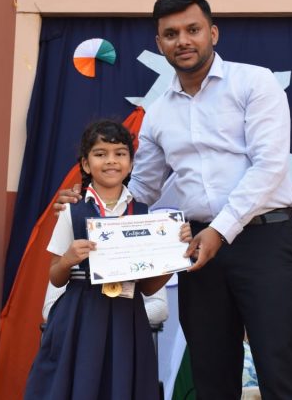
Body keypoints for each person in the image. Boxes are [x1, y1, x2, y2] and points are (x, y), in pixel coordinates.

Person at [56, 0, 292, 399]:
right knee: (210, 372)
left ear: (213, 33)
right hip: (195, 248)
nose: (183, 41)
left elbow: (269, 166)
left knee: (277, 366)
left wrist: (220, 230)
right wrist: (89, 202)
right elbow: (142, 187)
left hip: (263, 238)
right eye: (171, 34)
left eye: (193, 29)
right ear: (160, 44)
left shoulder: (254, 82)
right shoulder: (158, 112)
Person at [24, 120, 189, 400]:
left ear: (131, 163)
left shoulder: (144, 215)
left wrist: (174, 256)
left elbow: (148, 287)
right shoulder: (71, 211)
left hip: (127, 316)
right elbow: (55, 276)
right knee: (80, 384)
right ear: (86, 164)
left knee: (121, 384)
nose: (111, 161)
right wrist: (67, 260)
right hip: (81, 314)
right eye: (100, 154)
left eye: (120, 153)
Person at [42, 281, 169, 326]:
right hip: (79, 339)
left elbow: (160, 308)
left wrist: (115, 321)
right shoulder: (76, 236)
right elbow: (50, 309)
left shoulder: (138, 236)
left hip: (125, 338)